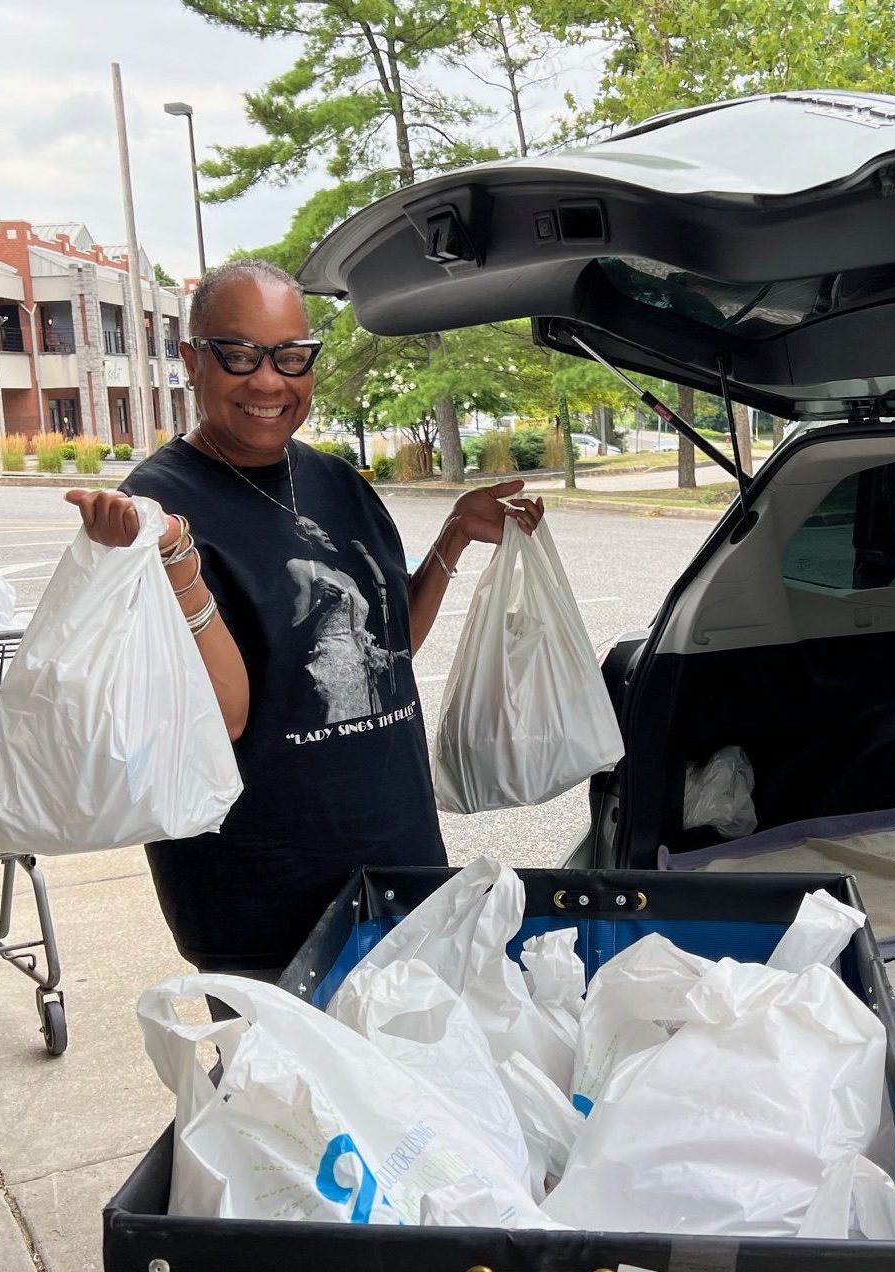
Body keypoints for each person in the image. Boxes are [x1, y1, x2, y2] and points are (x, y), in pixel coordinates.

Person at [65, 259, 543, 994]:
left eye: (290, 357)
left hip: (400, 873)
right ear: (192, 360)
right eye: (241, 355)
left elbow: (387, 650)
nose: (268, 382)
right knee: (291, 1108)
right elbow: (214, 718)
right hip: (262, 901)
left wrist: (452, 535)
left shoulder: (338, 483)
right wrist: (167, 563)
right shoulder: (154, 511)